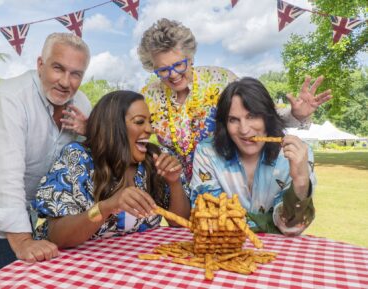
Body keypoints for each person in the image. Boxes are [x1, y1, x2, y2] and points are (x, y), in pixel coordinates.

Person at [0, 33, 92, 277]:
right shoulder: (9, 98)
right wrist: (24, 242)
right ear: (40, 64)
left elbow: (93, 159)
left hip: (30, 204)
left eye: (76, 74)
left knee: (42, 277)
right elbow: (5, 175)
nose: (66, 82)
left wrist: (89, 132)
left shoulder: (81, 103)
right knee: (13, 278)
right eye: (58, 68)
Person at [137, 18, 332, 181]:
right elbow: (131, 134)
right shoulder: (148, 96)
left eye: (179, 65)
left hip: (224, 183)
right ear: (151, 67)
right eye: (163, 69)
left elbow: (262, 116)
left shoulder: (219, 79)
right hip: (174, 186)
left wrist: (296, 114)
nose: (172, 75)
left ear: (190, 57)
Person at [32, 90, 191, 248]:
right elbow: (58, 237)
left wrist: (174, 182)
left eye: (150, 121)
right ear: (113, 127)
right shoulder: (78, 159)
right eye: (139, 122)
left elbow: (179, 224)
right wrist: (106, 207)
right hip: (70, 265)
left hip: (131, 264)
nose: (150, 129)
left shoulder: (156, 158)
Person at [190, 77, 316, 236]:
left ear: (268, 117)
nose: (244, 130)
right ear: (224, 124)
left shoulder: (299, 155)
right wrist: (266, 223)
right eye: (233, 119)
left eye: (252, 116)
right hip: (226, 250)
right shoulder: (207, 152)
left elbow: (291, 226)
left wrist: (301, 181)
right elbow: (207, 215)